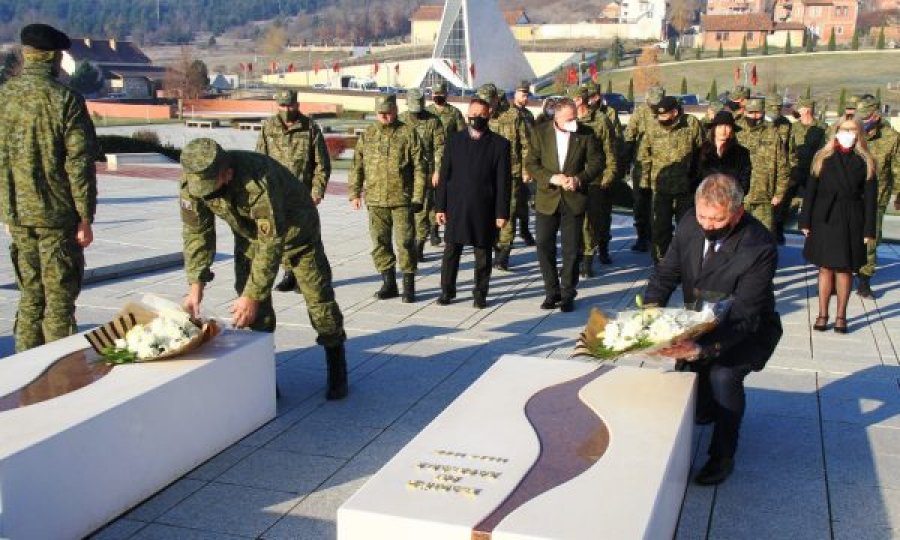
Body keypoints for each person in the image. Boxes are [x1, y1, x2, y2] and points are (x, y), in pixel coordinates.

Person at [179, 138, 348, 399]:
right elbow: (197, 234)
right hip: (249, 238)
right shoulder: (192, 184)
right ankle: (265, 376)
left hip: (298, 234)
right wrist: (195, 286)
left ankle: (336, 363)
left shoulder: (257, 180)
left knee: (319, 300)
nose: (208, 194)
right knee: (253, 315)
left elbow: (272, 242)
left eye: (213, 186)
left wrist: (252, 295)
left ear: (228, 173)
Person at [647, 174, 782, 486]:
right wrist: (650, 312)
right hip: (700, 319)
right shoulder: (689, 223)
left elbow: (746, 314)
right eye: (702, 216)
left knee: (723, 376)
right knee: (689, 388)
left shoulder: (759, 246)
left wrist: (701, 350)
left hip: (744, 329)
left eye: (717, 218)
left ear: (737, 212)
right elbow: (668, 270)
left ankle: (723, 455)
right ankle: (702, 410)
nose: (707, 225)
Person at [0, 24, 98, 353]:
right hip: (56, 216)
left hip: (17, 216)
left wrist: (5, 211)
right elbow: (79, 164)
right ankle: (58, 382)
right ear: (55, 58)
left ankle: (22, 375)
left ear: (27, 54)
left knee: (30, 298)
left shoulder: (4, 97)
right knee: (58, 305)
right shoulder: (65, 100)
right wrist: (85, 217)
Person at [800, 118, 877, 334]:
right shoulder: (822, 157)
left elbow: (870, 199)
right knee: (825, 268)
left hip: (851, 217)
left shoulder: (866, 160)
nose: (848, 133)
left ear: (859, 133)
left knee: (844, 269)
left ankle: (841, 315)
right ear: (836, 130)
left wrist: (869, 229)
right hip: (824, 217)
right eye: (844, 129)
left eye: (852, 130)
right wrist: (805, 220)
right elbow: (810, 192)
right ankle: (822, 313)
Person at [525, 98, 602, 312]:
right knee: (543, 244)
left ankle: (568, 292)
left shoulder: (585, 133)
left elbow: (597, 162)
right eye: (569, 119)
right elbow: (531, 163)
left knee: (571, 249)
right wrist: (552, 178)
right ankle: (552, 291)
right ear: (556, 117)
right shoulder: (540, 132)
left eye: (575, 118)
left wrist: (579, 179)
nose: (573, 123)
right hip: (547, 197)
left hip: (574, 197)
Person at [434, 98, 512, 308]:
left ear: (489, 115)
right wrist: (440, 206)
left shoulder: (500, 144)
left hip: (484, 207)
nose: (476, 118)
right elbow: (444, 175)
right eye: (473, 113)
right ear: (468, 114)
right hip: (456, 205)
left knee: (483, 253)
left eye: (481, 114)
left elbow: (504, 181)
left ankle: (480, 294)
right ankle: (447, 291)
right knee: (451, 251)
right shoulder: (454, 140)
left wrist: (502, 212)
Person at [349, 94, 426, 303]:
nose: (385, 117)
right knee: (380, 243)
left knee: (406, 242)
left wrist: (418, 196)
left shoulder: (408, 133)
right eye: (381, 113)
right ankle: (389, 283)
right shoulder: (368, 134)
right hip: (375, 199)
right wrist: (354, 193)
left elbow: (420, 167)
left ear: (395, 111)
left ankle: (409, 286)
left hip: (402, 199)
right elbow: (357, 165)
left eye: (389, 113)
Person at [256, 88, 331, 293]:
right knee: (281, 235)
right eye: (283, 106)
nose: (287, 110)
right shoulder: (268, 127)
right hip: (275, 193)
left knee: (306, 236)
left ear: (297, 105)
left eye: (290, 105)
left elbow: (322, 164)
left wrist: (317, 191)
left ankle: (306, 276)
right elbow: (259, 161)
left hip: (302, 194)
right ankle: (289, 273)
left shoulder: (310, 128)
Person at [637, 95, 705, 263]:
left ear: (675, 112)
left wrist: (699, 179)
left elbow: (702, 152)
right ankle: (661, 260)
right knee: (660, 227)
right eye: (659, 116)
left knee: (686, 228)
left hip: (686, 187)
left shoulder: (691, 124)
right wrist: (644, 182)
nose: (661, 119)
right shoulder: (653, 127)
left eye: (664, 115)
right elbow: (644, 155)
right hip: (660, 188)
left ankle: (684, 261)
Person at [477, 83, 530, 271]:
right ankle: (493, 245)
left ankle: (504, 253)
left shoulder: (514, 115)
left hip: (511, 173)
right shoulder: (479, 117)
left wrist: (526, 169)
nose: (486, 107)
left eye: (489, 102)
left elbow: (526, 145)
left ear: (496, 99)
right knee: (488, 211)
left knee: (509, 211)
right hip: (485, 174)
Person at [570, 85, 619, 276]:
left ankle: (591, 257)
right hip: (574, 177)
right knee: (575, 220)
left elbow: (610, 150)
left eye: (572, 100)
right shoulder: (568, 120)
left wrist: (609, 175)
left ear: (580, 101)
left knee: (593, 220)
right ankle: (579, 257)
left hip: (596, 179)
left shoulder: (601, 120)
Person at [854, 97, 899, 299]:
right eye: (860, 117)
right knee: (846, 236)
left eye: (867, 117)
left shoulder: (891, 137)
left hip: (877, 198)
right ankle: (842, 273)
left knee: (871, 239)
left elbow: (898, 169)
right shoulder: (851, 133)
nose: (863, 121)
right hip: (850, 196)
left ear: (877, 115)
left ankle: (864, 280)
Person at [399, 88, 445, 260]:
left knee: (423, 211)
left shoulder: (433, 121)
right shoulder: (402, 119)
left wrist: (437, 171)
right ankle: (408, 243)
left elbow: (440, 148)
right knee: (405, 211)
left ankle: (419, 245)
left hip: (425, 172)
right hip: (404, 173)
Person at [776, 97, 826, 245]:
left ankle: (813, 238)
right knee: (784, 204)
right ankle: (779, 233)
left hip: (813, 173)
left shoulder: (823, 128)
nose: (797, 110)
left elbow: (824, 151)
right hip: (794, 172)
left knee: (813, 206)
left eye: (800, 108)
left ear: (807, 109)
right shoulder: (793, 127)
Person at [735, 97, 789, 232]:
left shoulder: (772, 133)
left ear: (763, 112)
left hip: (764, 198)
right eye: (751, 112)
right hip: (739, 196)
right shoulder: (736, 132)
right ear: (745, 112)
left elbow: (783, 165)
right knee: (737, 235)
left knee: (764, 236)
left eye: (758, 112)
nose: (754, 116)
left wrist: (779, 193)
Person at [623, 86, 666, 252]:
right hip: (642, 164)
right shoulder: (640, 112)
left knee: (660, 204)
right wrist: (626, 160)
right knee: (641, 203)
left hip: (663, 165)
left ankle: (659, 237)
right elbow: (629, 135)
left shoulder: (670, 110)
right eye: (652, 104)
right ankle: (642, 237)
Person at [698, 111, 751, 194]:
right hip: (706, 199)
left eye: (727, 126)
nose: (723, 130)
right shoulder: (701, 151)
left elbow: (744, 181)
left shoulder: (742, 153)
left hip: (731, 201)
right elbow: (694, 178)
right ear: (714, 129)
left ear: (732, 131)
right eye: (719, 126)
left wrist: (733, 197)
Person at [512, 80, 537, 247]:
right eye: (523, 94)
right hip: (513, 163)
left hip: (527, 163)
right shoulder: (509, 114)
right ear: (515, 94)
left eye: (527, 94)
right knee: (512, 201)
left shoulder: (528, 115)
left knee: (524, 198)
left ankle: (525, 230)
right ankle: (509, 234)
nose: (525, 97)